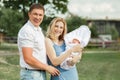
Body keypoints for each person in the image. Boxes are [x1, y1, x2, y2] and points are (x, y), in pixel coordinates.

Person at [17, 3, 59, 80]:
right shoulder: (27, 31)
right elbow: (28, 58)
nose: (38, 17)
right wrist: (47, 67)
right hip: (31, 74)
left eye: (40, 15)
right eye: (35, 14)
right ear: (29, 14)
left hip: (39, 73)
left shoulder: (38, 30)